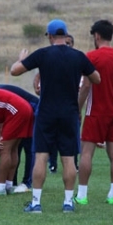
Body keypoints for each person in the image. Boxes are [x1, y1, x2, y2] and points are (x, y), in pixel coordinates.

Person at [10, 19, 100, 213]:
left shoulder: (42, 54)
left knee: (41, 156)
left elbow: (14, 71)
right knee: (68, 158)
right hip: (69, 113)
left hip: (46, 113)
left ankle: (36, 203)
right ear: (66, 36)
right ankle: (68, 202)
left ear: (50, 36)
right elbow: (97, 78)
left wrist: (20, 59)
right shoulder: (78, 56)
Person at [76, 20, 113, 206]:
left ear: (97, 36)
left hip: (95, 111)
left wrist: (77, 108)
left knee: (86, 153)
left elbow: (85, 86)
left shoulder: (92, 57)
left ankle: (82, 195)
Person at [32, 34, 77, 173]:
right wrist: (37, 87)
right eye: (66, 42)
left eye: (69, 43)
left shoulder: (74, 58)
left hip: (66, 108)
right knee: (48, 145)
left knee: (68, 146)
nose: (67, 45)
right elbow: (38, 75)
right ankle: (53, 164)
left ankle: (37, 195)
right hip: (54, 108)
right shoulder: (49, 57)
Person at [0, 84, 39, 193]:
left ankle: (27, 182)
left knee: (29, 146)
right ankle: (12, 181)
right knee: (15, 146)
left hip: (32, 108)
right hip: (18, 111)